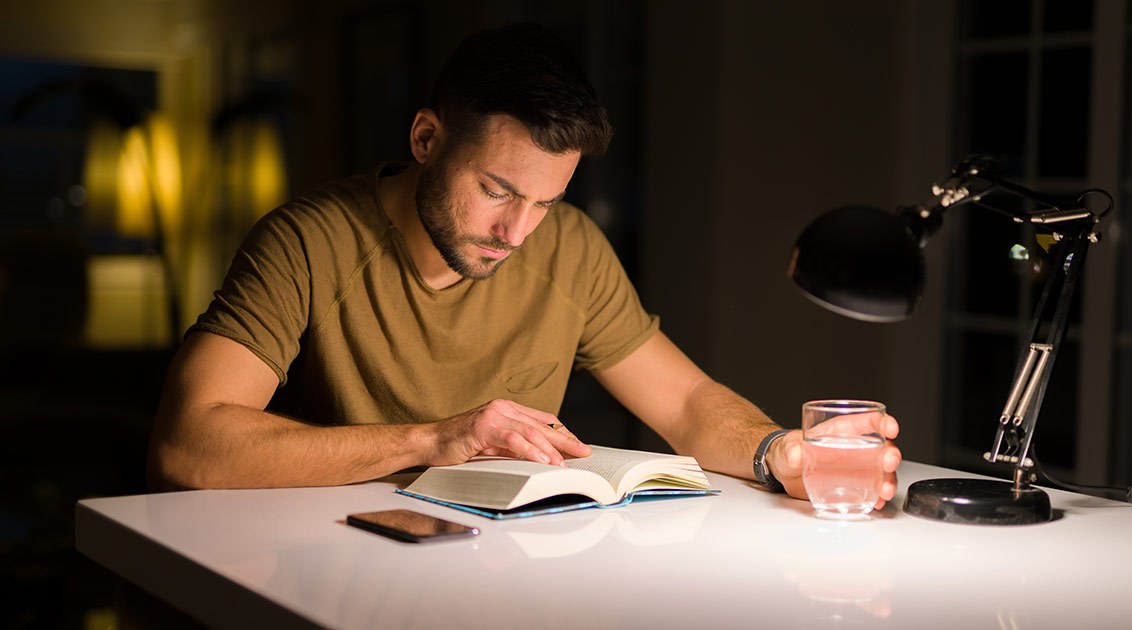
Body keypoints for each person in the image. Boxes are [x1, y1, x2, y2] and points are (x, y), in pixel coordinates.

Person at [147, 23, 901, 507]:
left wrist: (781, 452)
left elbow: (686, 404)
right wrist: (430, 439)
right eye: (496, 190)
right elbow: (189, 443)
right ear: (425, 139)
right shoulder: (308, 241)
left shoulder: (566, 245)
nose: (517, 231)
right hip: (330, 568)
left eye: (544, 201)